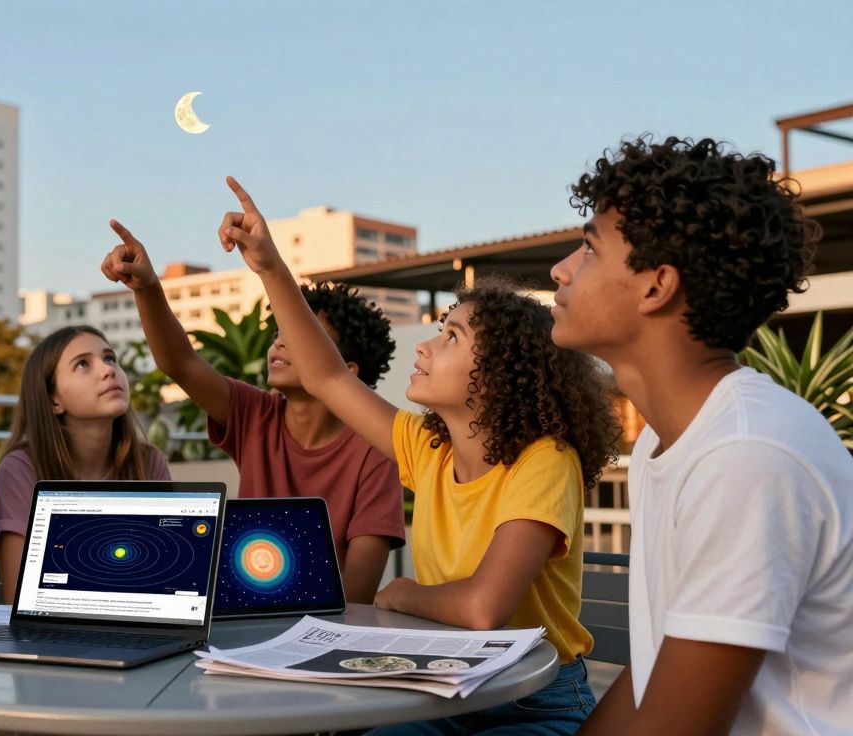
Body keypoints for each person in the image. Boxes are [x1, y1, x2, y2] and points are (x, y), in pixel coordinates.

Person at [214, 177, 620, 734]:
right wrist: (269, 267)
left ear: (500, 375)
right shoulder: (427, 450)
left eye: (451, 337)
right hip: (444, 689)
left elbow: (483, 609)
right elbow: (327, 374)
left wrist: (404, 592)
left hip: (535, 696)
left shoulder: (545, 461)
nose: (426, 346)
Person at [551, 136, 853, 736]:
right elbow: (654, 674)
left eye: (588, 248)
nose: (560, 269)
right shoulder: (665, 442)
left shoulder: (746, 454)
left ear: (656, 286)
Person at [102, 221, 405, 602]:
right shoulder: (256, 414)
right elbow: (179, 362)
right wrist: (146, 286)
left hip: (324, 628)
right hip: (244, 614)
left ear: (348, 369)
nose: (279, 342)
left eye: (299, 337)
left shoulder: (375, 452)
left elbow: (357, 591)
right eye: (279, 331)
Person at [0, 325, 170, 599]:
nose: (108, 370)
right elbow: (17, 597)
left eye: (110, 358)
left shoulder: (149, 461)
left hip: (139, 624)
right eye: (83, 364)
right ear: (53, 400)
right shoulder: (21, 468)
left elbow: (165, 576)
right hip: (52, 634)